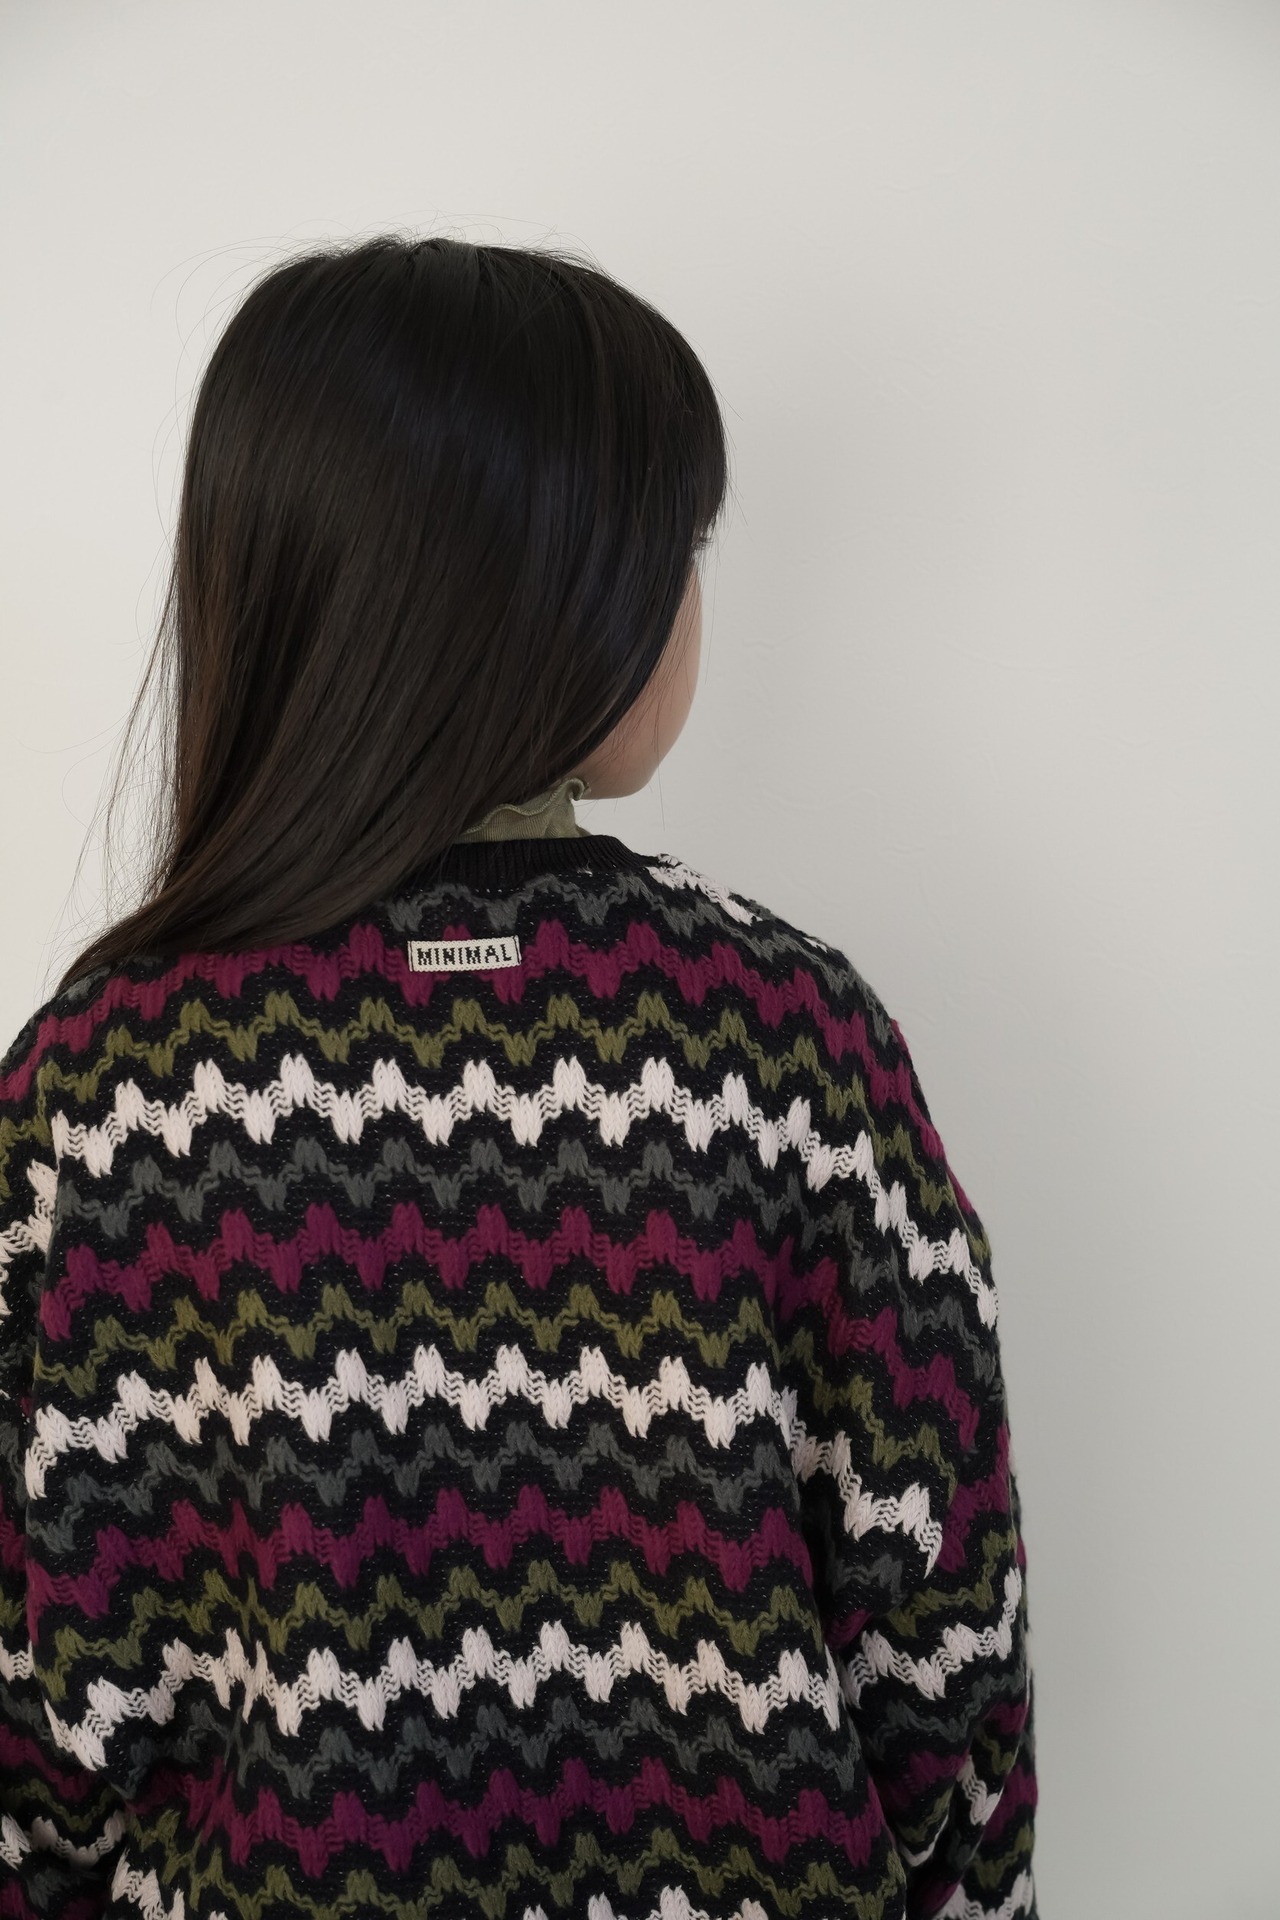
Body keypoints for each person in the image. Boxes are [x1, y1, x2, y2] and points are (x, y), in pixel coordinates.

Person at [0, 235, 1036, 1920]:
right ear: (541, 589)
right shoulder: (789, 1042)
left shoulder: (106, 1089)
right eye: (678, 546)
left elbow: (40, 1710)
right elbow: (944, 1646)